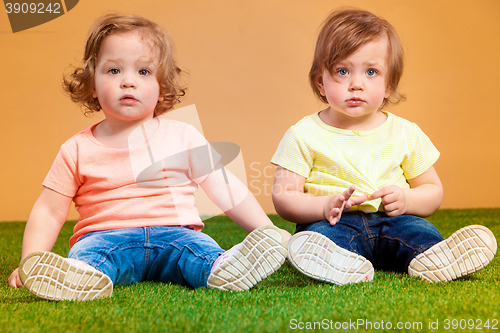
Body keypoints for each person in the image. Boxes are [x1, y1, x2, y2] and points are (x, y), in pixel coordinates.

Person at [8, 13, 289, 301]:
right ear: (92, 84)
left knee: (200, 251)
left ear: (161, 88)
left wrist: (268, 230)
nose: (128, 82)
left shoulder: (184, 136)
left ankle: (224, 267)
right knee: (88, 257)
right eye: (114, 71)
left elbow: (226, 189)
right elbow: (49, 210)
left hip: (176, 235)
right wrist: (31, 260)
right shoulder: (76, 149)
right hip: (105, 238)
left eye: (143, 72)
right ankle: (77, 275)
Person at [271, 8, 497, 285]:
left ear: (388, 85)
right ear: (321, 82)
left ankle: (436, 257)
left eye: (371, 72)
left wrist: (408, 200)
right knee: (321, 239)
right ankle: (337, 263)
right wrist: (323, 206)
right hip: (333, 223)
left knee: (418, 230)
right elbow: (284, 197)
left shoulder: (405, 132)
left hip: (393, 220)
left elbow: (433, 190)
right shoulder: (303, 134)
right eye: (342, 71)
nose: (356, 84)